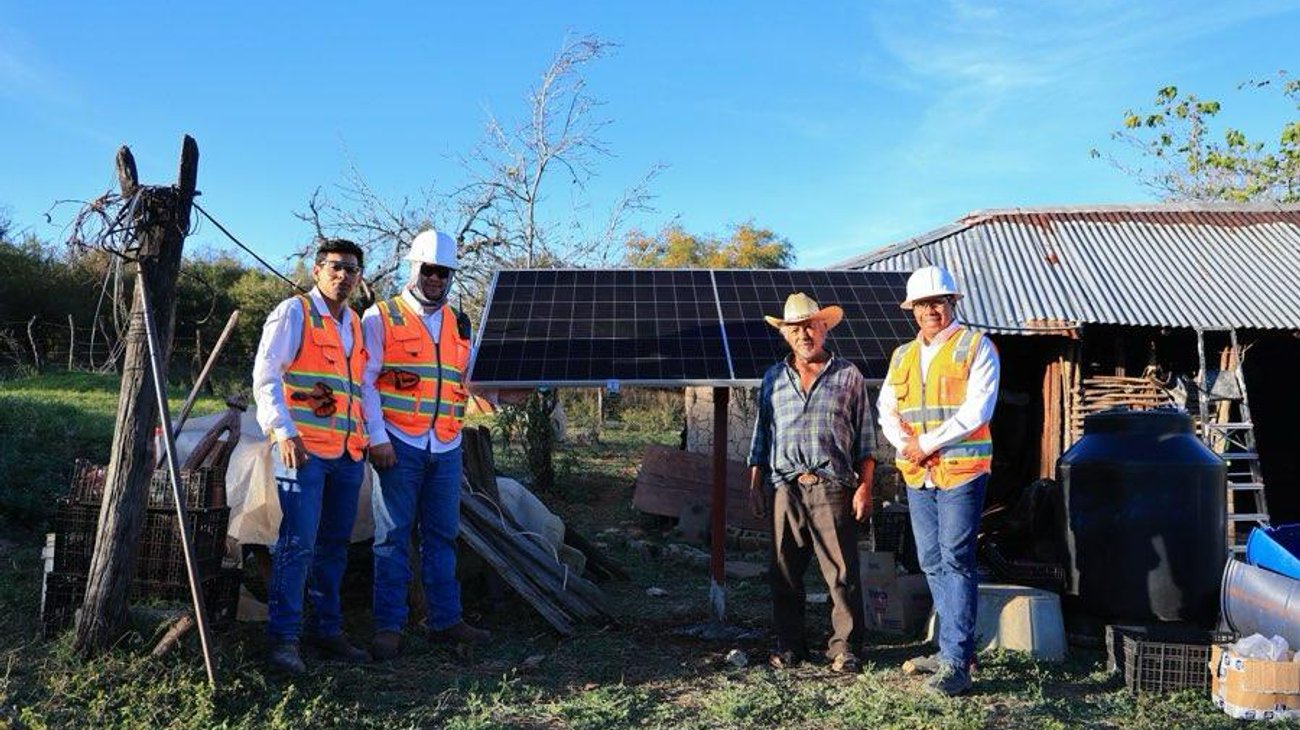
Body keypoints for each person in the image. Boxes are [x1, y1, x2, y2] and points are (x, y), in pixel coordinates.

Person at [362, 228, 490, 660]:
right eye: (429, 270)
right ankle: (389, 626)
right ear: (413, 267)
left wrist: (516, 388)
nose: (436, 278)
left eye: (444, 272)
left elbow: (472, 379)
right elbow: (364, 382)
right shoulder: (381, 316)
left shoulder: (460, 322)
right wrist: (376, 437)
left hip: (446, 445)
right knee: (393, 536)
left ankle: (445, 620)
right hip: (398, 443)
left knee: (442, 536)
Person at [878, 264, 999, 697]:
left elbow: (977, 411)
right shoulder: (902, 356)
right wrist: (907, 445)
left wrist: (926, 442)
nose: (932, 310)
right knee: (929, 558)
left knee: (956, 557)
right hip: (919, 473)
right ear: (913, 310)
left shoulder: (976, 347)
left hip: (961, 472)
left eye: (939, 302)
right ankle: (952, 649)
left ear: (952, 303)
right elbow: (887, 409)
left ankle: (957, 661)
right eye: (924, 304)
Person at [252, 238, 372, 675]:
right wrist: (282, 431)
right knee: (296, 544)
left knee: (334, 546)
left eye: (352, 270)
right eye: (336, 267)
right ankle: (284, 640)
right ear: (318, 270)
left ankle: (327, 628)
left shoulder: (355, 324)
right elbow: (266, 377)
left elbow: (359, 389)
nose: (344, 276)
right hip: (302, 452)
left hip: (346, 452)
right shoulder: (294, 312)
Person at [748, 292, 877, 674]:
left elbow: (866, 437)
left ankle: (846, 648)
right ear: (785, 333)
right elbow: (761, 436)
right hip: (784, 487)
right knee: (784, 570)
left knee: (841, 573)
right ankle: (790, 646)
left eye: (811, 325)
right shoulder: (773, 378)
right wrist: (755, 484)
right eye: (795, 328)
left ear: (824, 328)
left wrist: (865, 486)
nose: (804, 334)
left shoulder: (848, 375)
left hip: (832, 484)